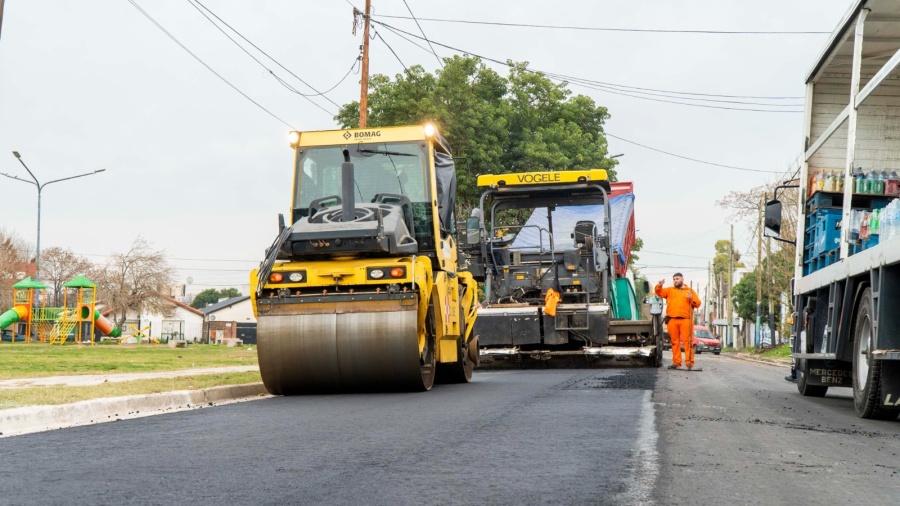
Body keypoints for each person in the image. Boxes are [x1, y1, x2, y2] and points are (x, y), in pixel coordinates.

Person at [655, 273, 702, 370]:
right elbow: (659, 292)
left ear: (682, 279)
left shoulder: (690, 291)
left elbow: (697, 304)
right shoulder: (670, 290)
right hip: (672, 319)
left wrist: (691, 298)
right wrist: (659, 285)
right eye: (674, 279)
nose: (675, 280)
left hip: (686, 320)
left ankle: (689, 363)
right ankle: (676, 362)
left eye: (677, 279)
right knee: (674, 342)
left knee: (688, 342)